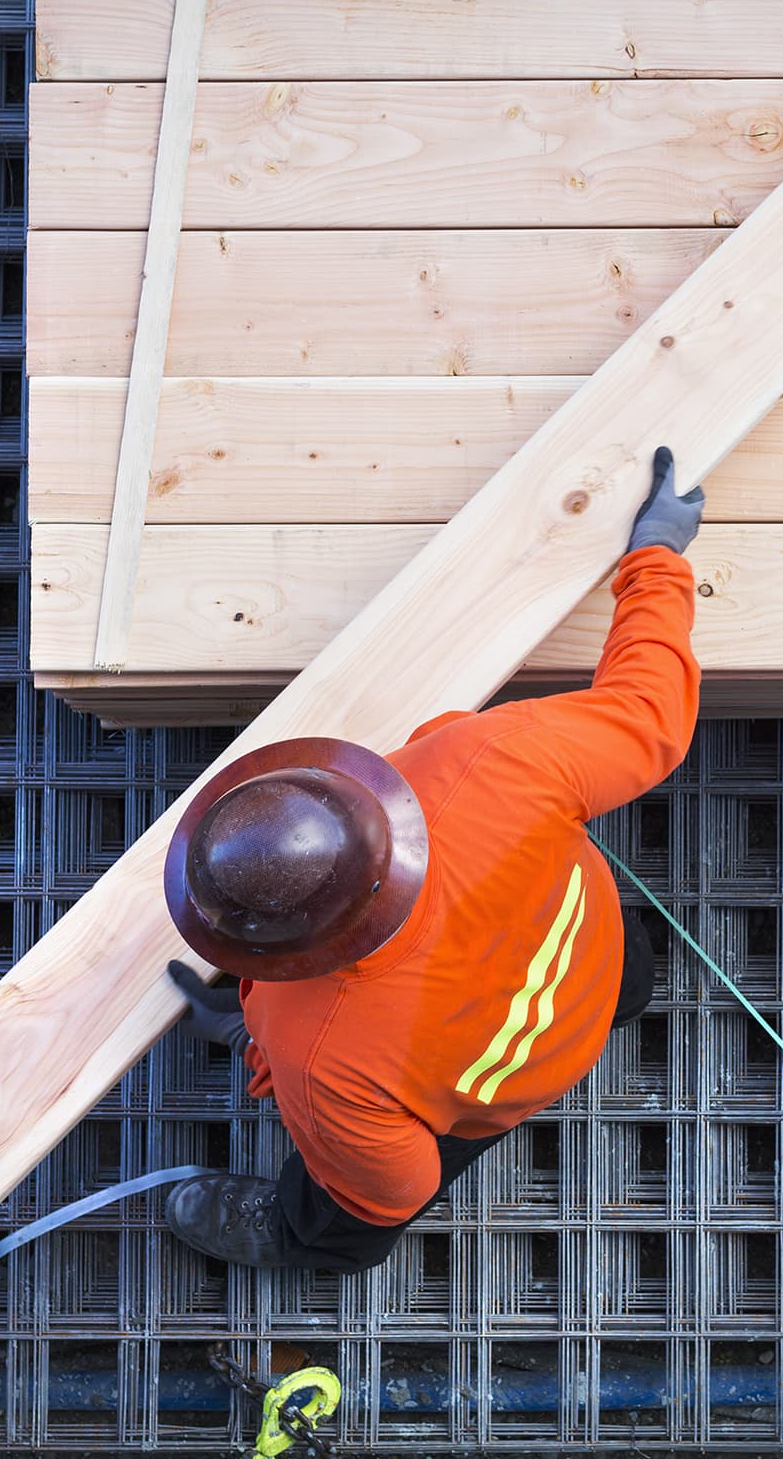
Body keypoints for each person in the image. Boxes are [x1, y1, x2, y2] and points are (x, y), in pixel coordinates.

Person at [157, 448, 705, 1270]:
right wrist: (655, 558)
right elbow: (650, 711)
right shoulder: (489, 762)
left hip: (497, 1090)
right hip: (597, 975)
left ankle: (290, 1234)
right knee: (623, 966)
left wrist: (263, 1048)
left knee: (351, 1209)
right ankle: (626, 998)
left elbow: (398, 1183)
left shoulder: (318, 1049)